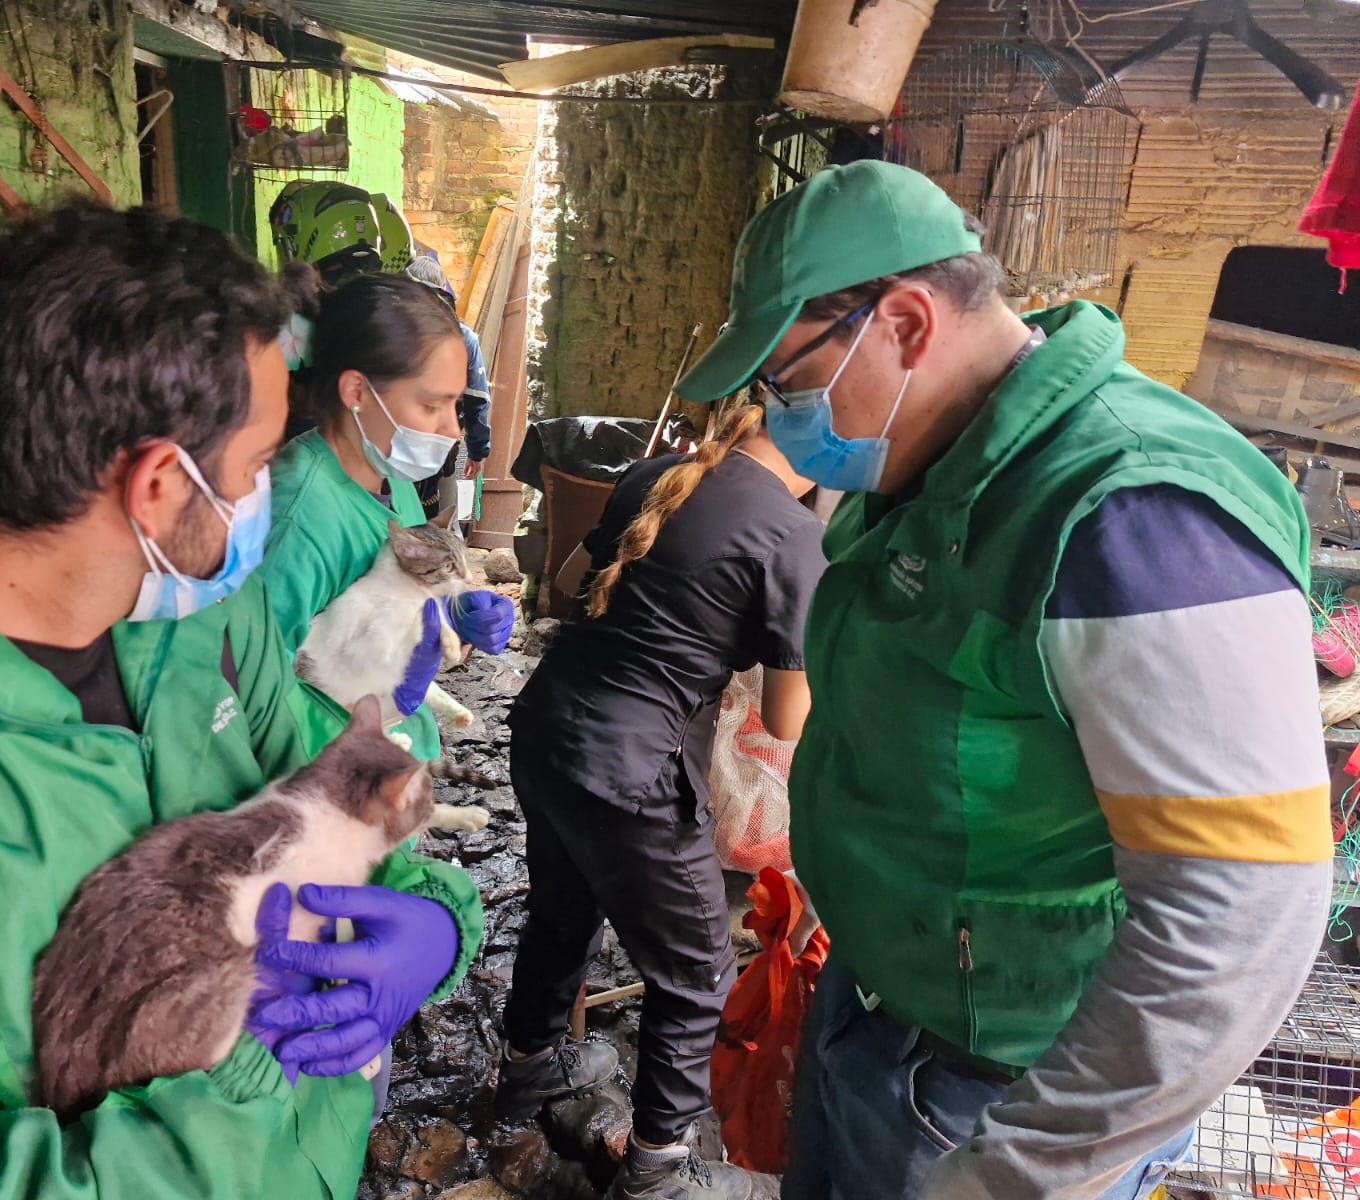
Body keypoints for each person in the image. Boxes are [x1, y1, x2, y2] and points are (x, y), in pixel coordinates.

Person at [0, 205, 482, 1199]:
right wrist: (245, 1077)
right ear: (157, 485)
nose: (273, 489)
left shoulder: (201, 628)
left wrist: (434, 923)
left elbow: (334, 821)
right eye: (261, 465)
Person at [675, 160, 1331, 1199]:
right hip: (886, 1012)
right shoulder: (932, 466)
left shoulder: (1132, 516)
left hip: (997, 1093)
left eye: (784, 376)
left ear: (901, 325)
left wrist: (1026, 1169)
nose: (775, 408)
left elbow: (1236, 907)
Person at [495, 401, 825, 1200]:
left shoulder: (654, 476)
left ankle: (530, 1066)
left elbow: (571, 584)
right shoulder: (792, 533)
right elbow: (787, 718)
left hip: (548, 727)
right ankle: (658, 1171)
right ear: (823, 441)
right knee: (697, 972)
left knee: (563, 908)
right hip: (632, 767)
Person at [259, 265, 515, 767]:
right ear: (356, 392)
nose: (453, 430)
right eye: (431, 405)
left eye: (456, 407)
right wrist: (385, 705)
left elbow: (382, 602)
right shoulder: (297, 515)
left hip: (388, 774)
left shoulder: (388, 478)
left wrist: (447, 612)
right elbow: (253, 703)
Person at [404, 254, 494, 525]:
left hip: (393, 438)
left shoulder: (391, 329)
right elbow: (476, 398)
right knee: (439, 514)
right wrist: (478, 450)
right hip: (440, 442)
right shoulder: (464, 338)